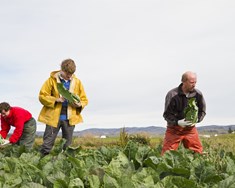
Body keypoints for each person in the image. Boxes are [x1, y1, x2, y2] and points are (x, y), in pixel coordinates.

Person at [38, 58, 88, 155]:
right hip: (53, 118)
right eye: (67, 74)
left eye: (71, 75)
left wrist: (79, 104)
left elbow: (84, 99)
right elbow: (42, 96)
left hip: (70, 119)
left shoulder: (78, 82)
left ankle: (65, 167)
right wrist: (56, 100)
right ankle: (42, 166)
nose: (69, 77)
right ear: (62, 70)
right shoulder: (51, 81)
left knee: (67, 146)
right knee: (47, 144)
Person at [161, 71, 206, 155]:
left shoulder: (198, 94)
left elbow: (202, 111)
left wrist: (196, 120)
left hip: (190, 129)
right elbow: (166, 114)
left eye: (195, 82)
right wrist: (177, 122)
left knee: (197, 153)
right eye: (192, 82)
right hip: (174, 129)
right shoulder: (172, 94)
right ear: (184, 81)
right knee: (167, 155)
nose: (194, 85)